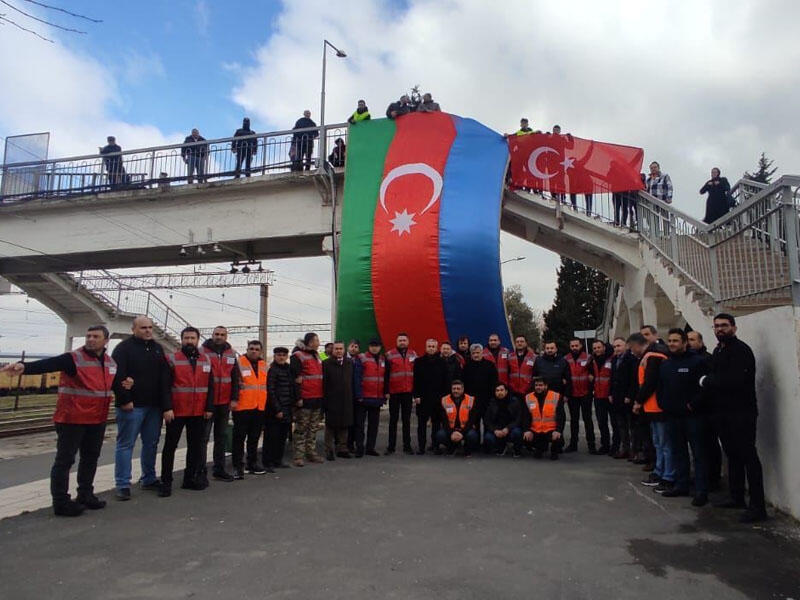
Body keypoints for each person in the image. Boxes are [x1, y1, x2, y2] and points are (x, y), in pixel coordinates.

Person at [0, 326, 125, 516]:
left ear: (106, 341)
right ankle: (61, 502)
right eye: (88, 336)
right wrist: (23, 366)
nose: (91, 339)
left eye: (96, 337)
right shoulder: (73, 358)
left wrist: (127, 386)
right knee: (65, 460)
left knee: (90, 459)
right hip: (72, 419)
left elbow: (115, 384)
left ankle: (85, 494)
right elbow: (48, 364)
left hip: (97, 419)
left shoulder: (110, 363)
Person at [700, 313, 767, 522]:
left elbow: (733, 381)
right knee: (733, 455)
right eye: (717, 326)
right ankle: (736, 496)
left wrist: (706, 381)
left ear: (734, 328)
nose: (720, 329)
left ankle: (758, 507)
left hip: (741, 413)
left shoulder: (740, 351)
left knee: (748, 457)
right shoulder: (720, 350)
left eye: (724, 326)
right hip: (723, 413)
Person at [112, 316, 169, 501]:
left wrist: (164, 404)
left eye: (150, 327)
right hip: (132, 406)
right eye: (143, 327)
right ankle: (122, 484)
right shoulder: (123, 349)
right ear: (133, 329)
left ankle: (149, 478)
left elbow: (164, 377)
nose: (148, 331)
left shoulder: (157, 349)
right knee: (126, 444)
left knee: (151, 444)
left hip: (154, 407)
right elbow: (117, 376)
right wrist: (124, 400)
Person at [159, 327, 214, 497]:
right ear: (181, 339)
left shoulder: (206, 360)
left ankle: (189, 479)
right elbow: (164, 386)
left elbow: (210, 386)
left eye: (192, 338)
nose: (189, 341)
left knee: (195, 447)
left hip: (198, 411)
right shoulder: (172, 359)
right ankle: (166, 482)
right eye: (186, 338)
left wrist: (209, 407)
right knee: (170, 447)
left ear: (198, 340)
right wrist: (167, 408)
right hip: (177, 411)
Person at [657, 328, 709, 506]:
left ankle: (702, 491)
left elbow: (705, 388)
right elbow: (661, 388)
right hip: (672, 416)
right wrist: (662, 404)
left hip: (694, 416)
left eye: (676, 341)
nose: (672, 344)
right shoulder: (665, 365)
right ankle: (681, 485)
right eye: (670, 341)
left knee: (699, 454)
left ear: (685, 343)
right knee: (678, 452)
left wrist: (693, 404)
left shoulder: (698, 362)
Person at [629, 333, 673, 493]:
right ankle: (660, 472)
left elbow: (649, 383)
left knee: (664, 444)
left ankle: (667, 476)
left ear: (636, 345)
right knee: (659, 443)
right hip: (652, 408)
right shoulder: (652, 355)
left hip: (658, 407)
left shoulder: (653, 356)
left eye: (632, 348)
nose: (632, 352)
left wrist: (638, 401)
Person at [199, 326, 239, 482]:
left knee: (221, 437)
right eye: (217, 334)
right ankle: (200, 469)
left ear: (226, 336)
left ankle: (219, 469)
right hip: (207, 402)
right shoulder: (203, 351)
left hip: (224, 402)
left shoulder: (231, 353)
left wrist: (234, 398)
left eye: (222, 334)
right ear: (212, 335)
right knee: (203, 438)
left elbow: (235, 377)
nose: (219, 337)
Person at [688, 329, 722, 489]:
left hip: (708, 410)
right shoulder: (689, 360)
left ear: (701, 342)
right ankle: (703, 477)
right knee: (698, 447)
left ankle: (713, 479)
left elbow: (709, 386)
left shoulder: (707, 359)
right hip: (694, 411)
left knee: (710, 446)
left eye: (693, 339)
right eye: (687, 339)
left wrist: (695, 402)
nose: (690, 342)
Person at [231, 340, 269, 478]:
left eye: (257, 349)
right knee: (239, 439)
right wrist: (233, 400)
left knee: (254, 438)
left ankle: (252, 463)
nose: (254, 351)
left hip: (259, 407)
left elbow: (265, 386)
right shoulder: (239, 362)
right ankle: (237, 467)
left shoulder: (264, 365)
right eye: (251, 348)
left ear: (261, 351)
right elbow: (234, 383)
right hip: (242, 407)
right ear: (247, 349)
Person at [291, 332, 325, 466]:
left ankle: (311, 452)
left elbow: (326, 363)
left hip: (317, 397)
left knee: (313, 428)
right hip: (305, 398)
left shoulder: (319, 355)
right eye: (316, 340)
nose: (319, 343)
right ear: (310, 342)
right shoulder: (297, 356)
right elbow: (295, 379)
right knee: (301, 428)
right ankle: (298, 456)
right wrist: (298, 397)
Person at [384, 333, 418, 455]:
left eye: (404, 340)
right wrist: (386, 391)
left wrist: (415, 392)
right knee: (393, 420)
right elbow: (386, 375)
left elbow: (416, 374)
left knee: (406, 420)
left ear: (408, 342)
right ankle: (391, 446)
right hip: (394, 392)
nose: (402, 342)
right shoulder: (389, 355)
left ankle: (407, 446)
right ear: (396, 341)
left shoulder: (413, 354)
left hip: (408, 392)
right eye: (400, 340)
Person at [413, 339, 448, 454]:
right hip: (422, 398)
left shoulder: (442, 362)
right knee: (421, 424)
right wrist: (416, 395)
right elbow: (415, 380)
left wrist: (444, 397)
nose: (431, 348)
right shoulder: (418, 362)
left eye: (433, 346)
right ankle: (421, 447)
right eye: (429, 346)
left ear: (437, 348)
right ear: (426, 347)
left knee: (436, 424)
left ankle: (435, 445)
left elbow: (445, 381)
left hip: (438, 398)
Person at [322, 341, 354, 460]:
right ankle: (329, 450)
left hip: (346, 399)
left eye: (341, 349)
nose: (339, 351)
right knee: (330, 426)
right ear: (332, 350)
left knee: (344, 425)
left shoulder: (349, 363)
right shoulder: (326, 364)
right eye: (336, 349)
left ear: (344, 350)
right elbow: (324, 384)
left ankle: (342, 449)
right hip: (331, 400)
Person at [264, 347, 295, 469]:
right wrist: (277, 409)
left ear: (287, 356)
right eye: (278, 355)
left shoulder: (288, 369)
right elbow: (270, 391)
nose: (281, 357)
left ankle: (278, 460)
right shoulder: (272, 370)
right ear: (275, 356)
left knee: (282, 437)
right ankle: (268, 462)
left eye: (283, 355)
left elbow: (291, 388)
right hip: (275, 410)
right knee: (272, 437)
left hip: (287, 408)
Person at [564, 338, 596, 454]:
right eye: (572, 346)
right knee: (574, 420)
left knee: (588, 420)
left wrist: (591, 384)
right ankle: (573, 444)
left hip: (585, 393)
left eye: (576, 345)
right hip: (572, 394)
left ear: (581, 346)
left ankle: (591, 445)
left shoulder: (588, 357)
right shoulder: (566, 359)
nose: (574, 348)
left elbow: (594, 373)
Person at [522, 377, 566, 459]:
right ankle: (540, 448)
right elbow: (526, 417)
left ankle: (554, 450)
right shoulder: (528, 398)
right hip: (536, 430)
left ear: (546, 386)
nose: (538, 387)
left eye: (541, 385)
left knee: (558, 439)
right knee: (526, 439)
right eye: (536, 385)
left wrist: (558, 431)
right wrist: (526, 430)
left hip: (550, 430)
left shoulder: (555, 396)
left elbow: (561, 416)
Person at [355, 339, 385, 457]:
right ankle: (359, 448)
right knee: (360, 425)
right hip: (363, 398)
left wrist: (383, 396)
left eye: (376, 346)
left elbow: (385, 378)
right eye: (372, 346)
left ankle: (370, 448)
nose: (374, 348)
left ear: (380, 347)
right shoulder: (362, 358)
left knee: (374, 426)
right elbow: (357, 378)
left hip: (377, 398)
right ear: (369, 347)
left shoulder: (383, 359)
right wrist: (359, 395)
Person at [460, 343, 499, 434]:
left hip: (487, 400)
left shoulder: (490, 366)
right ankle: (474, 446)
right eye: (473, 353)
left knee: (488, 423)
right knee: (473, 424)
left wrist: (493, 398)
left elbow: (494, 383)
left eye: (478, 352)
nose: (476, 355)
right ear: (471, 354)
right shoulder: (467, 367)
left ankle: (487, 445)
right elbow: (463, 384)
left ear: (482, 353)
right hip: (471, 401)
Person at [434, 380, 480, 456]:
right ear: (451, 389)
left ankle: (466, 448)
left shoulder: (470, 400)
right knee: (440, 435)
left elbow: (471, 420)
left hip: (465, 429)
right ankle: (452, 447)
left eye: (458, 389)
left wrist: (462, 433)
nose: (456, 391)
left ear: (463, 389)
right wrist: (451, 433)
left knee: (472, 436)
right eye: (454, 388)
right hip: (450, 429)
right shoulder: (445, 400)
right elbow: (444, 420)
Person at [609, 336, 637, 459]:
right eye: (615, 346)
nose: (617, 348)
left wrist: (629, 396)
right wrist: (610, 393)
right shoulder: (614, 360)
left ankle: (633, 450)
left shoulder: (631, 359)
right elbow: (612, 378)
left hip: (627, 397)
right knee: (621, 425)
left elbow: (633, 379)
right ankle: (624, 448)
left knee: (631, 426)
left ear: (625, 346)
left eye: (619, 346)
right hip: (616, 397)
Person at [483, 382, 524, 457]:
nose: (499, 392)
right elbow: (487, 420)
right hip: (497, 430)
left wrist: (508, 428)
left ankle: (517, 450)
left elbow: (518, 419)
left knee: (517, 433)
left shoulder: (514, 402)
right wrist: (495, 430)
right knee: (488, 438)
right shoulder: (491, 403)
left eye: (502, 390)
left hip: (511, 429)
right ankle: (500, 447)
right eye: (497, 391)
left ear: (506, 391)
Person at [591, 340, 614, 455]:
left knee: (615, 422)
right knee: (602, 422)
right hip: (598, 396)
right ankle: (605, 445)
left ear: (604, 347)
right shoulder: (593, 360)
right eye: (594, 348)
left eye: (599, 347)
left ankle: (616, 446)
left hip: (610, 396)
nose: (597, 350)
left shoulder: (612, 359)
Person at [646, 161, 673, 237]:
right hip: (652, 202)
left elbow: (669, 187)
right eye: (651, 168)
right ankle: (656, 234)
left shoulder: (664, 176)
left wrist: (669, 197)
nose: (653, 169)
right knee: (653, 218)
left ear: (658, 168)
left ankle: (667, 234)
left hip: (662, 200)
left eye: (655, 167)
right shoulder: (648, 180)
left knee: (665, 218)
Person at [508, 334, 536, 401]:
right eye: (517, 342)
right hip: (513, 392)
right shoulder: (510, 357)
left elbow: (535, 374)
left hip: (527, 391)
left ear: (526, 343)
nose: (519, 343)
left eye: (522, 341)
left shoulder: (533, 357)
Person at [346, 339, 362, 453]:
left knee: (358, 422)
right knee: (347, 422)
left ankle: (358, 445)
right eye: (352, 346)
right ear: (348, 347)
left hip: (358, 396)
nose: (354, 348)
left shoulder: (360, 360)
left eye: (356, 347)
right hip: (345, 396)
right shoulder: (342, 359)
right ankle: (346, 444)